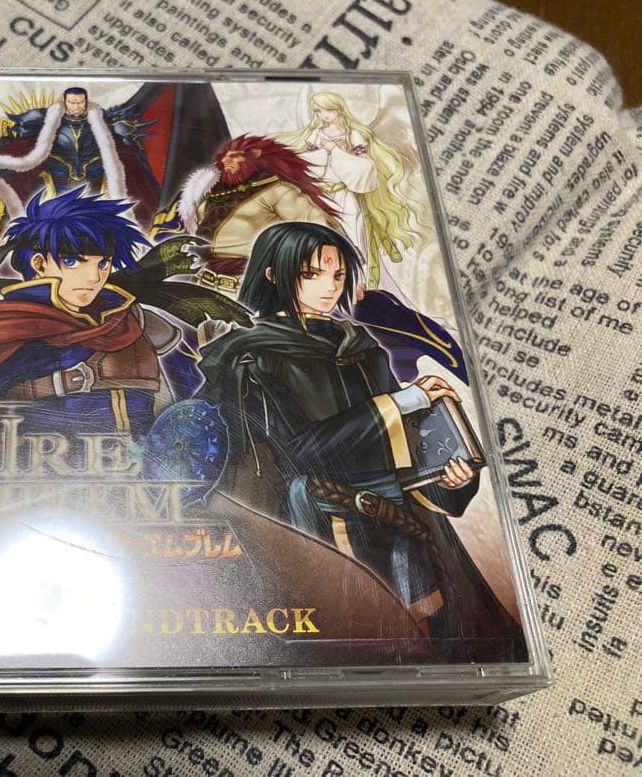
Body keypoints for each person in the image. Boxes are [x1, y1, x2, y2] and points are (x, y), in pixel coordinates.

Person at [197, 221, 517, 643]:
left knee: (445, 637)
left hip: (406, 522)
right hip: (322, 523)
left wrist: (449, 478)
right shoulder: (253, 356)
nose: (329, 288)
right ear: (274, 274)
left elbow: (405, 447)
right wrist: (400, 402)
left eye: (338, 275)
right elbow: (298, 453)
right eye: (312, 274)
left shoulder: (360, 345)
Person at [278, 91, 421, 290]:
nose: (322, 115)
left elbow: (365, 168)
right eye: (317, 111)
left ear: (339, 109)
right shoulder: (316, 135)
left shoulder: (354, 135)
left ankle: (356, 282)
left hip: (344, 196)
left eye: (327, 110)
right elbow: (307, 162)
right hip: (320, 196)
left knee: (354, 236)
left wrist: (335, 150)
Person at [0, 86, 159, 227]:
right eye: (72, 102)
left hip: (95, 182)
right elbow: (28, 147)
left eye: (80, 102)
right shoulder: (50, 123)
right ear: (66, 102)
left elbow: (122, 153)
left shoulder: (102, 125)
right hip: (58, 180)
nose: (76, 107)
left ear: (86, 102)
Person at [174, 134, 340, 294]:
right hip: (203, 284)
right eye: (225, 156)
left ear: (255, 155)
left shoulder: (278, 191)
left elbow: (323, 230)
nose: (225, 161)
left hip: (251, 289)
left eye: (235, 156)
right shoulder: (212, 194)